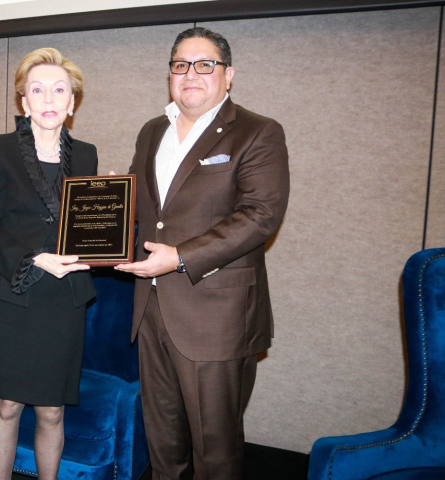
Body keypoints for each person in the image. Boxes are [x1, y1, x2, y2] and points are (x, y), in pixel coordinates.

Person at [115, 27, 290, 480]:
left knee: (216, 452)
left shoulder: (257, 132)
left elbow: (260, 216)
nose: (190, 73)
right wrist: (105, 209)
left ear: (228, 75)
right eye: (180, 64)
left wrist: (179, 256)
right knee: (162, 444)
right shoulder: (153, 130)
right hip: (151, 308)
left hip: (217, 316)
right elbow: (144, 208)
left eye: (204, 64)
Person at [0, 48, 97, 480]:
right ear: (24, 102)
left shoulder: (86, 155)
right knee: (6, 407)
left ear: (72, 102)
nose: (49, 98)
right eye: (38, 90)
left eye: (59, 90)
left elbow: (87, 225)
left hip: (62, 300)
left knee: (52, 411)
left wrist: (101, 246)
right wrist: (35, 257)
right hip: (11, 292)